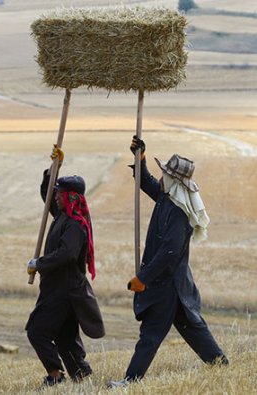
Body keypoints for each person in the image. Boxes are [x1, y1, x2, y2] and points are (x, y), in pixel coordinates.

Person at [107, 136, 228, 388]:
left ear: (175, 180)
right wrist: (139, 158)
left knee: (150, 334)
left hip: (167, 285)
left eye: (165, 174)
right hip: (174, 284)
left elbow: (170, 253)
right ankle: (220, 363)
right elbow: (147, 183)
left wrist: (143, 278)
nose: (161, 177)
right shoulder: (168, 197)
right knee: (192, 327)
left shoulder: (177, 211)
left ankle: (130, 381)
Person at [25, 145, 105, 387]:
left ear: (71, 196)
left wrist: (39, 264)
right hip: (64, 289)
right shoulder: (63, 214)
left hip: (63, 290)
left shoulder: (75, 223)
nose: (56, 196)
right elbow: (47, 194)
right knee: (65, 336)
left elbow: (67, 254)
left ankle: (55, 375)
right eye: (57, 192)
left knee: (37, 330)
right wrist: (54, 169)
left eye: (60, 193)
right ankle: (81, 375)